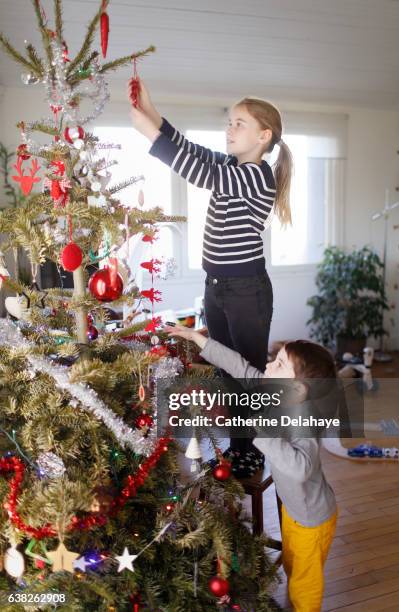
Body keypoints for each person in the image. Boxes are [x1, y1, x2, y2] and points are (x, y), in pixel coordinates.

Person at [128, 81, 293, 477]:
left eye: (239, 123)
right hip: (217, 287)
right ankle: (239, 445)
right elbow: (193, 152)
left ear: (263, 136)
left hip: (245, 290)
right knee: (224, 369)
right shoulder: (233, 166)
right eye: (229, 122)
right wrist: (152, 114)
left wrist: (148, 134)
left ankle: (250, 450)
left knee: (247, 373)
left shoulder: (256, 175)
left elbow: (198, 172)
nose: (229, 129)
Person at [164, 323, 338, 612]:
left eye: (279, 364)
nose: (270, 365)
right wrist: (198, 340)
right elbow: (241, 367)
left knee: (305, 585)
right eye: (276, 358)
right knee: (294, 568)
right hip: (296, 512)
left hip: (313, 519)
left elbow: (301, 468)